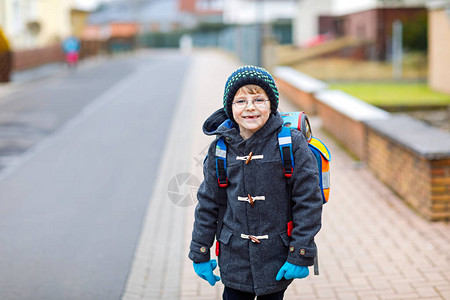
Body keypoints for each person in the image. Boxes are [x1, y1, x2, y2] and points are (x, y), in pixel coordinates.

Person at [188, 65, 323, 299]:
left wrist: (300, 253)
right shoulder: (220, 148)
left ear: (271, 105)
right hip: (233, 258)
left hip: (277, 258)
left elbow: (309, 202)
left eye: (259, 99)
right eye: (241, 101)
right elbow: (208, 203)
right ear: (230, 108)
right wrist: (199, 251)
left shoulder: (290, 143)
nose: (250, 107)